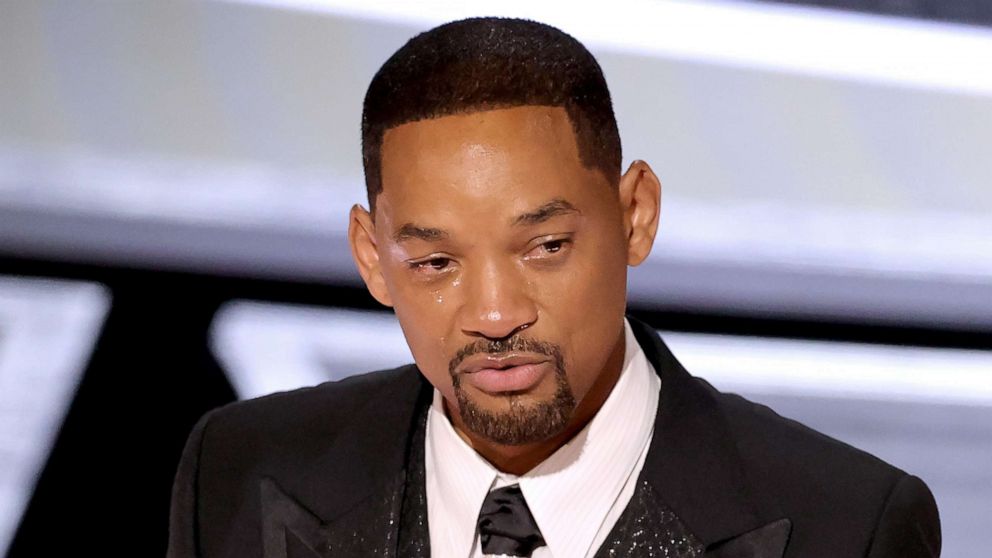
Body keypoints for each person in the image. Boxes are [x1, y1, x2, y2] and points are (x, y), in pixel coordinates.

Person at [167, 17, 940, 558]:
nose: (496, 314)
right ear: (372, 258)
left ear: (635, 216)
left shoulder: (846, 525)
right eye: (436, 263)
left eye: (545, 247)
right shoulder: (239, 471)